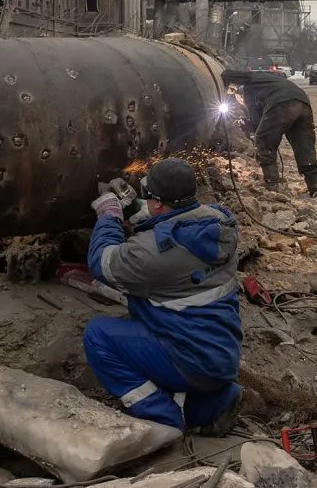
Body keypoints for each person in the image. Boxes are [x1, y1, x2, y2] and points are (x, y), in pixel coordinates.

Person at [83, 158, 243, 435]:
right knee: (144, 320)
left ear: (157, 203)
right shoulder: (219, 222)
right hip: (221, 354)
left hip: (190, 360)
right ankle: (212, 404)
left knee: (98, 335)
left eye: (148, 198)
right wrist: (135, 208)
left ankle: (163, 418)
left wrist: (110, 215)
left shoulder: (154, 255)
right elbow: (174, 225)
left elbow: (103, 263)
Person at [221, 68, 317, 196]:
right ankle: (315, 187)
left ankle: (272, 185)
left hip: (282, 104)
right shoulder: (264, 78)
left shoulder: (249, 88)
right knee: (304, 145)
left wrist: (247, 125)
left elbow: (257, 123)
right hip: (303, 103)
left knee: (263, 141)